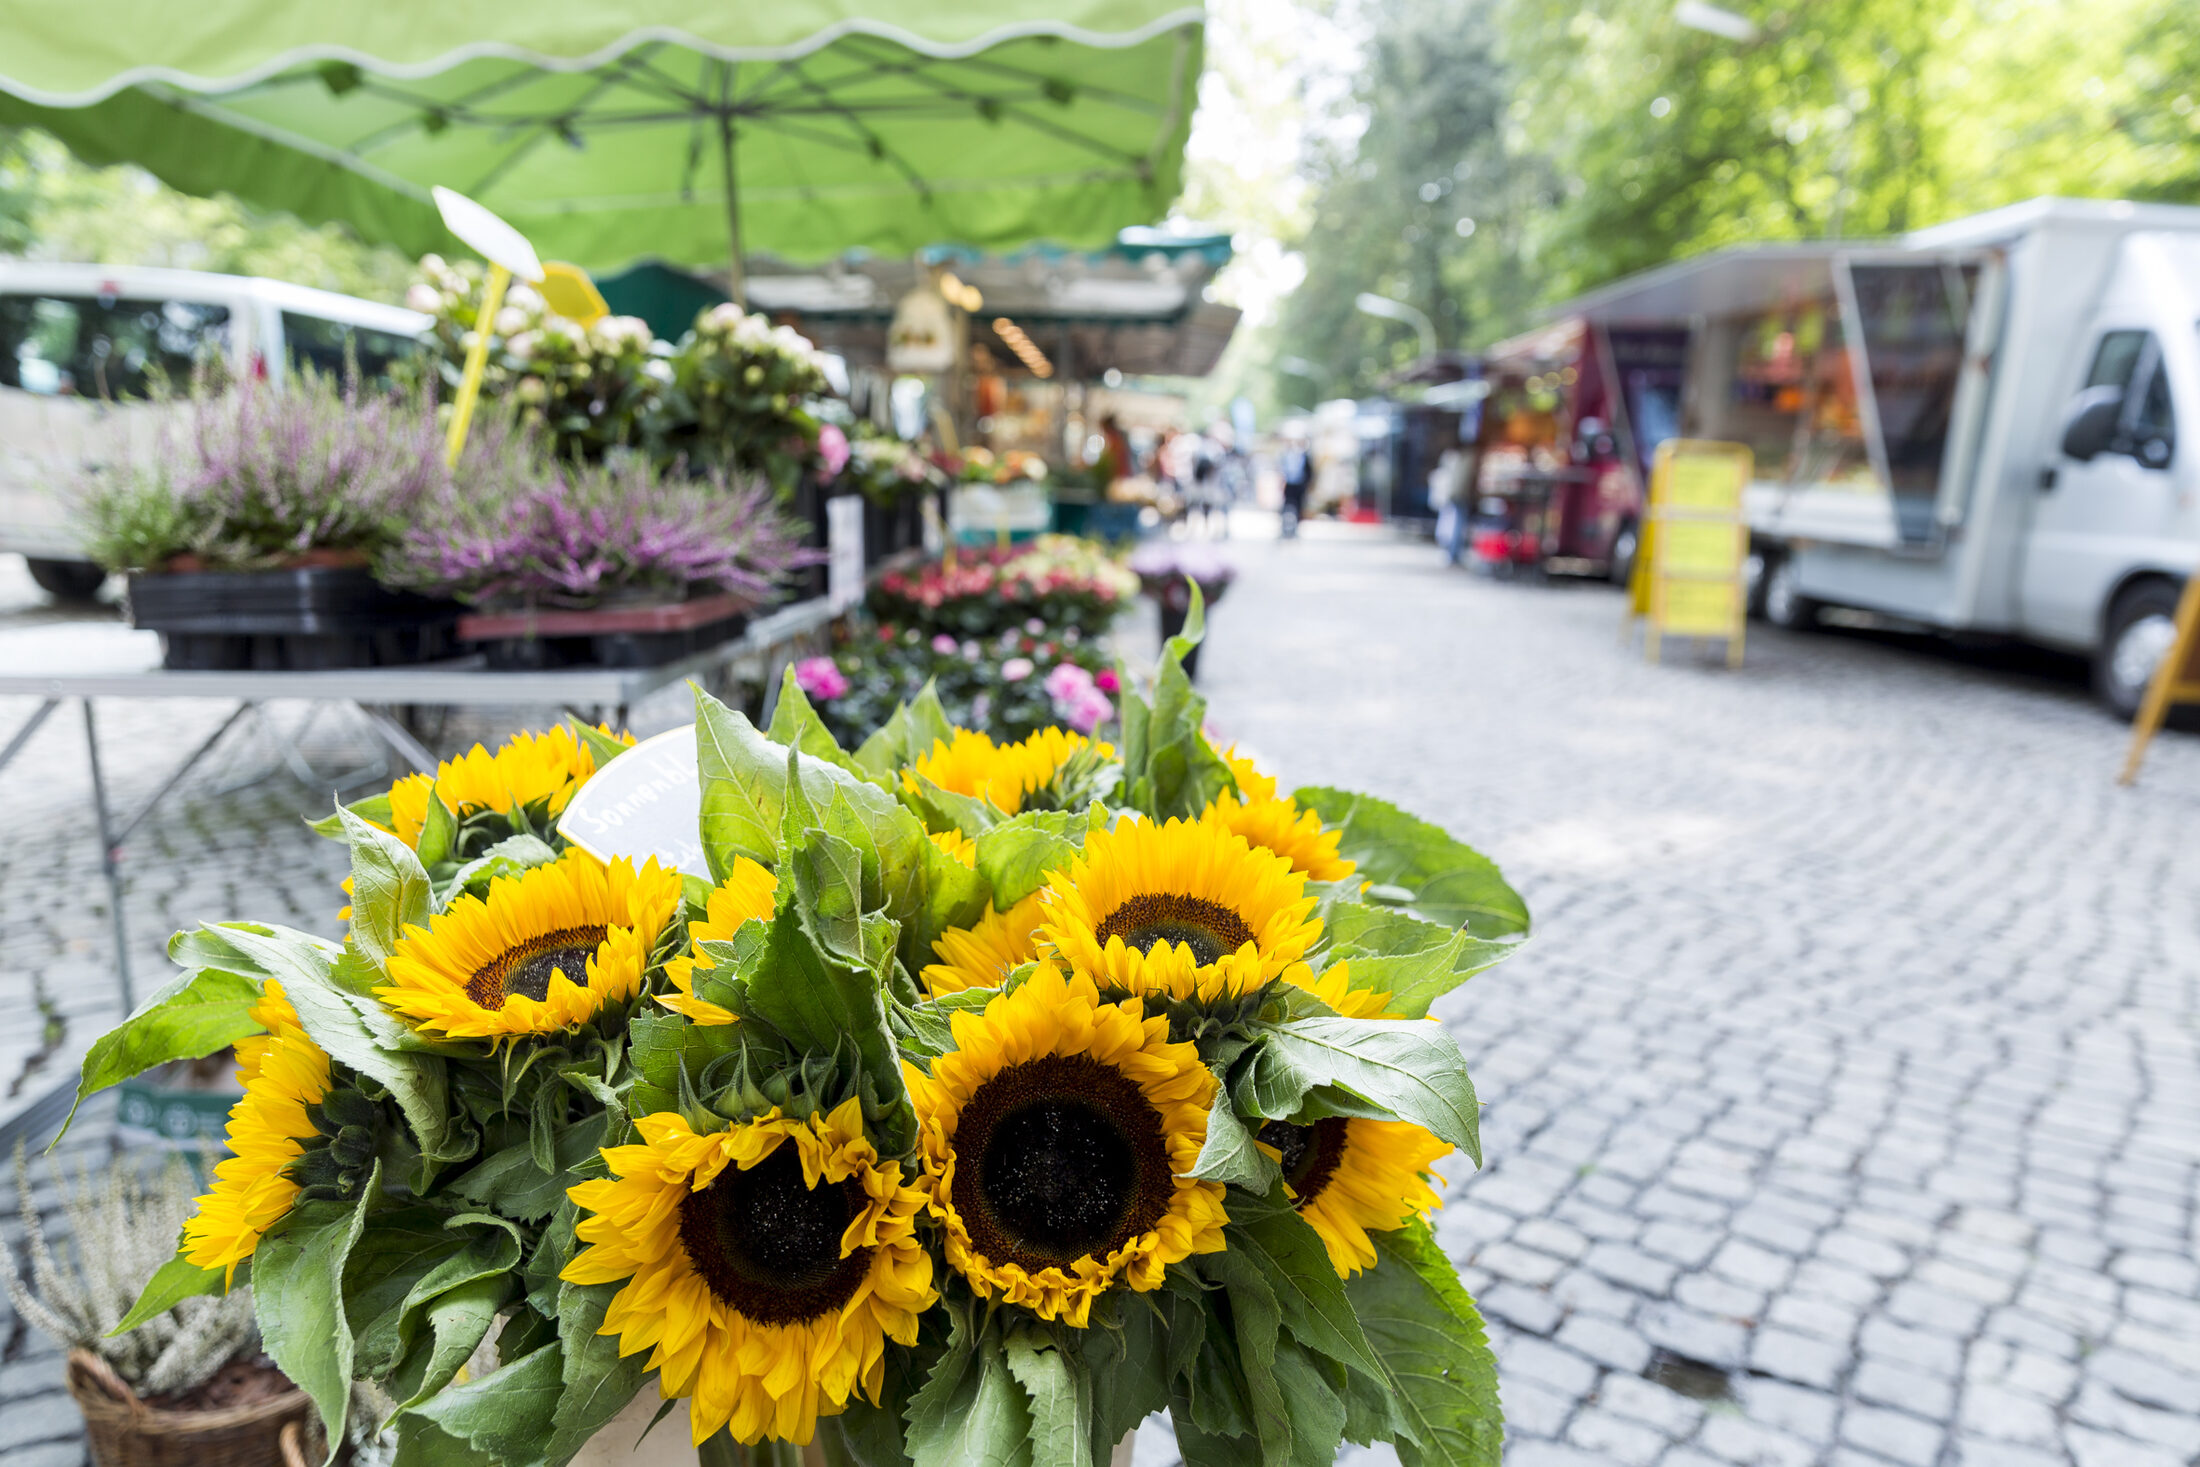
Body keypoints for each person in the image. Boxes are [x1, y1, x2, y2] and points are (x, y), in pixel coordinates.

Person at [1429, 446, 1469, 566]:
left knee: (1449, 528)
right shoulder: (1451, 470)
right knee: (1451, 528)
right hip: (1453, 501)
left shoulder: (1452, 468)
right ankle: (1451, 554)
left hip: (1453, 501)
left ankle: (1452, 554)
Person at [1279, 432, 1312, 539]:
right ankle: (1284, 528)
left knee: (1299, 507)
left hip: (1299, 486)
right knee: (1286, 507)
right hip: (1289, 485)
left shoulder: (1304, 456)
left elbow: (1309, 472)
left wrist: (1307, 484)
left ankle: (1295, 529)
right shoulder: (1286, 456)